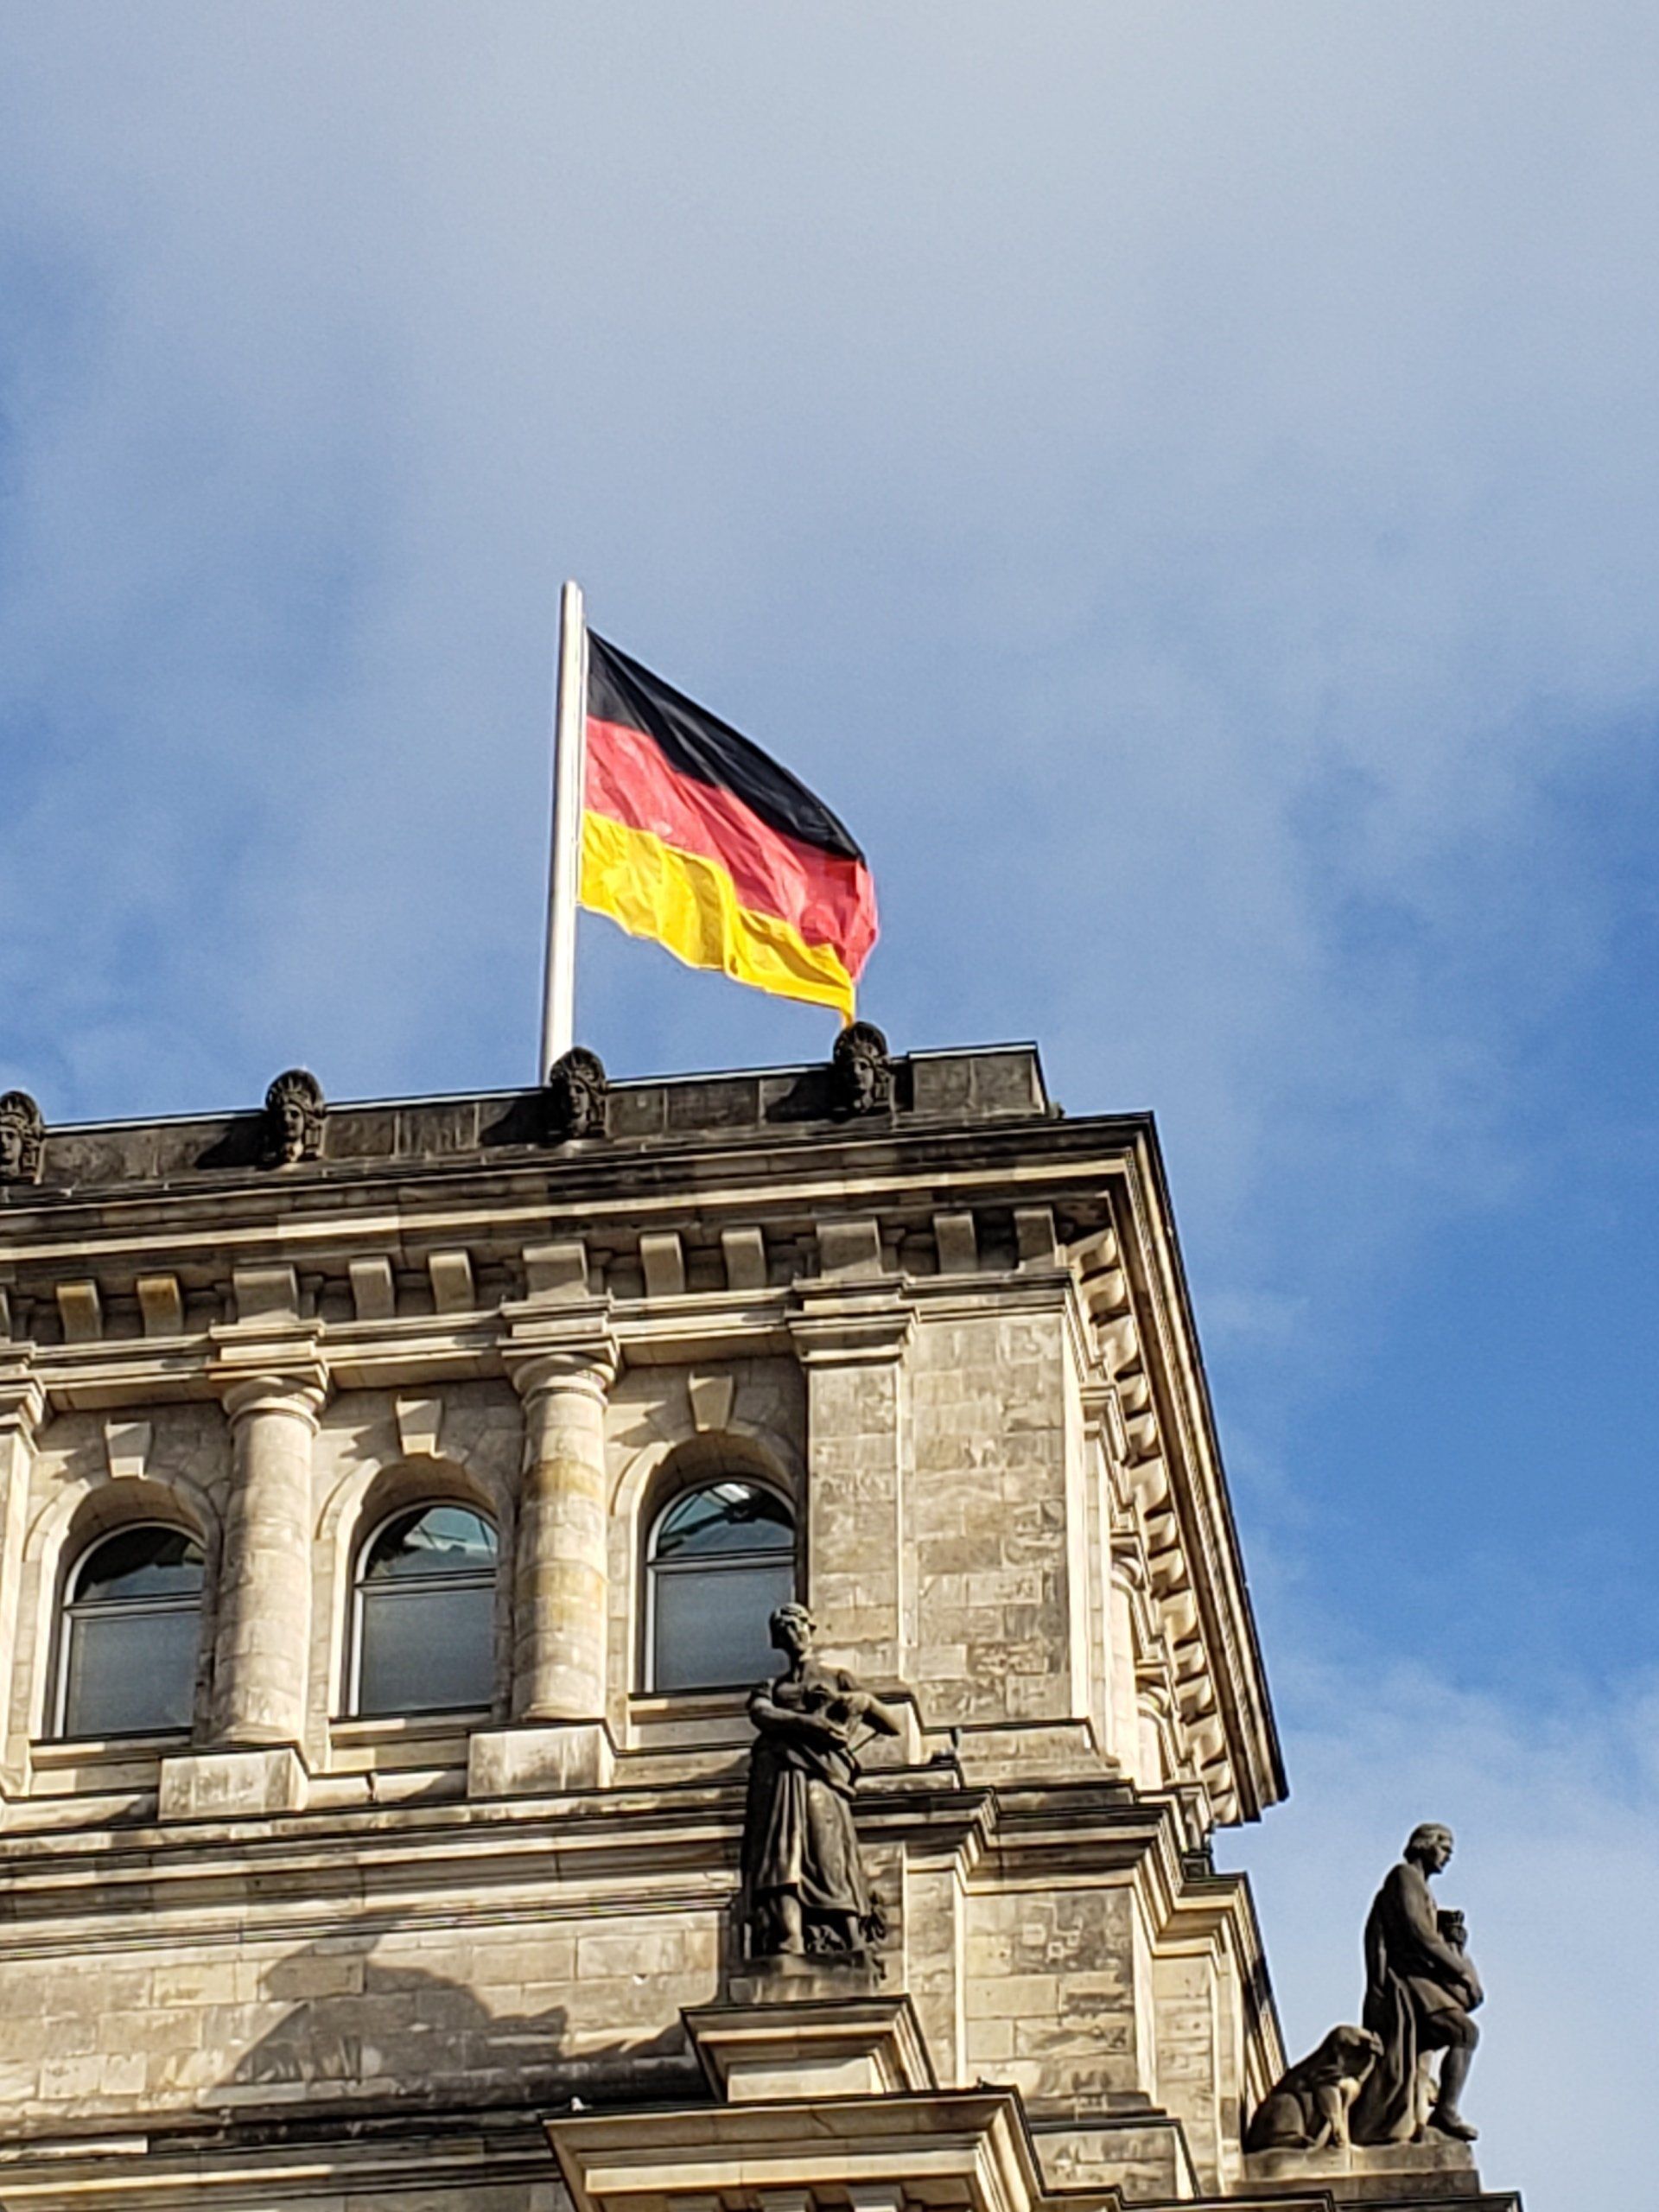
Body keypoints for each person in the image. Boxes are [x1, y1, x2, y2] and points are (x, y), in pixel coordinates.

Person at [741, 1604, 899, 1957]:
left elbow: (891, 1724)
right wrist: (808, 1724)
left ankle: (849, 1937)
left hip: (821, 1779)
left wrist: (863, 1702)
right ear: (776, 1640)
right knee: (780, 1857)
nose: (792, 1634)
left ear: (810, 1629)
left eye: (797, 1626)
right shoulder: (770, 1685)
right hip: (779, 1777)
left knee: (827, 1855)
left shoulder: (837, 1677)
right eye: (784, 1630)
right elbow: (761, 1713)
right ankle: (789, 1938)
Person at [1351, 1823, 1483, 2145]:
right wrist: (1459, 1970)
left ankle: (1411, 2119)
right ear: (1425, 1844)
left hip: (1416, 1979)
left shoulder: (1419, 1886)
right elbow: (1418, 1934)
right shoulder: (1404, 1877)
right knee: (1464, 2032)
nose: (1448, 1855)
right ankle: (1446, 2112)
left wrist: (1451, 1939)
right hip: (1407, 1982)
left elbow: (1426, 1931)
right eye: (1444, 1847)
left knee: (1419, 2057)